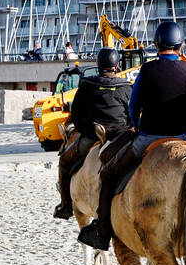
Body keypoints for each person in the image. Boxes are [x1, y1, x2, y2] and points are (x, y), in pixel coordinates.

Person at [77, 20, 186, 251]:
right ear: (180, 45)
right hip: (184, 138)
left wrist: (138, 126)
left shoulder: (147, 70)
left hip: (149, 138)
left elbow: (133, 106)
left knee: (109, 173)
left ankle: (102, 231)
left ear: (156, 44)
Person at [53, 47, 131, 220]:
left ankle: (65, 205)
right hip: (119, 138)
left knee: (64, 160)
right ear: (116, 66)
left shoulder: (87, 85)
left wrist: (83, 128)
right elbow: (131, 115)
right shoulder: (126, 87)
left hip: (91, 137)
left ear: (99, 66)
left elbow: (77, 115)